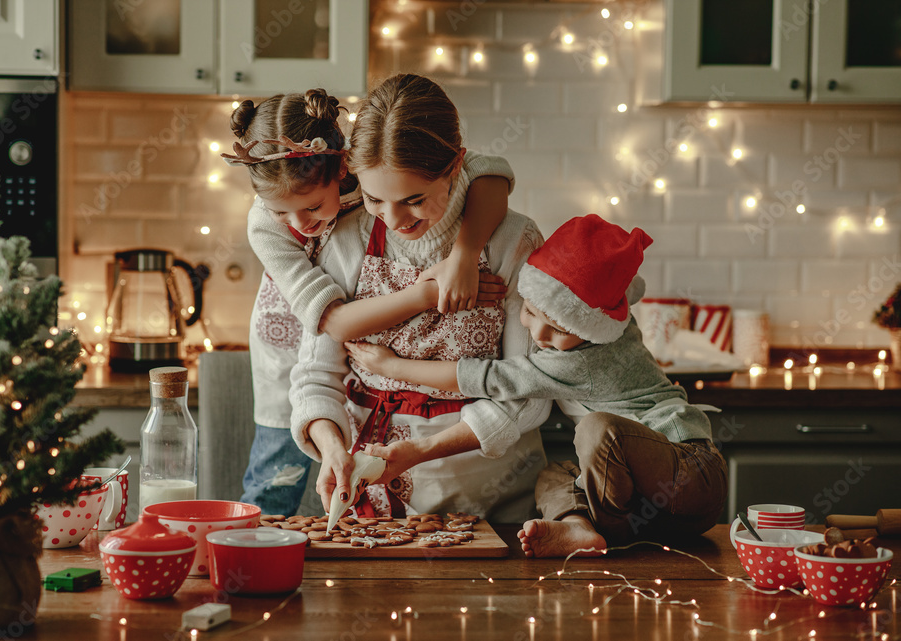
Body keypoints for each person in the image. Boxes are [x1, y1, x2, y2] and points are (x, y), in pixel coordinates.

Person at [346, 214, 729, 557]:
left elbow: (488, 377)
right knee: (552, 476)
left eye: (559, 329)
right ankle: (580, 528)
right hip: (655, 508)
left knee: (599, 429)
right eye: (529, 311)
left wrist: (393, 365)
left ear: (589, 327)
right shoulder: (608, 315)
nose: (538, 333)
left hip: (689, 472)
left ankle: (606, 531)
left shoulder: (582, 359)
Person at [226, 88, 515, 516]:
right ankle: (256, 555)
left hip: (362, 323)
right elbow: (336, 324)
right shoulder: (266, 227)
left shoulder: (371, 175)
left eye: (311, 207)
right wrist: (428, 293)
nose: (298, 225)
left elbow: (488, 173)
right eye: (280, 213)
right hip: (299, 327)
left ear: (343, 167)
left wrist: (464, 254)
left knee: (350, 463)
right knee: (276, 475)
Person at [288, 74, 551, 522]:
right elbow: (316, 374)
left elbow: (528, 391)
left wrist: (423, 450)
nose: (392, 219)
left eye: (413, 199)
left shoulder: (511, 241)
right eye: (374, 199)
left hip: (490, 500)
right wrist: (332, 446)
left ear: (455, 166)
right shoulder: (347, 237)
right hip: (370, 499)